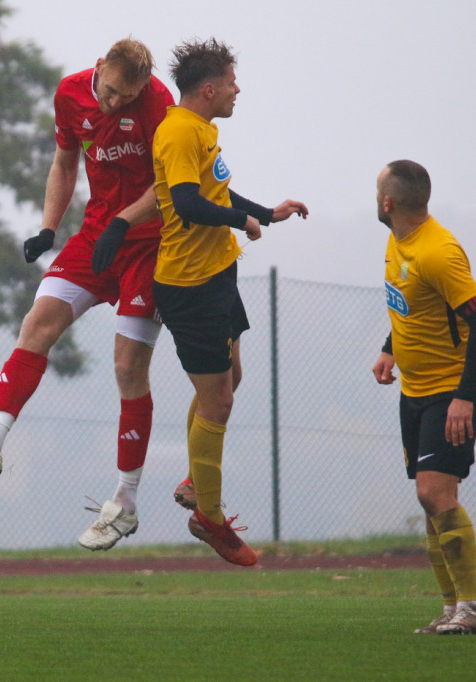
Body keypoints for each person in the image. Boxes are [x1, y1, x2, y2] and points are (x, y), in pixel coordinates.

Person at [0, 38, 174, 551]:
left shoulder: (158, 101)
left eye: (125, 98)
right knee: (37, 323)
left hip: (149, 246)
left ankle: (125, 502)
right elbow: (65, 162)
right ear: (98, 70)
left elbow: (170, 184)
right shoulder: (69, 94)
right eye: (110, 92)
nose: (114, 104)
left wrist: (124, 223)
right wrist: (49, 228)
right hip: (95, 239)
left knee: (127, 367)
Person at [152, 39, 307, 566]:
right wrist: (242, 222)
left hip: (218, 275)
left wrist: (268, 211)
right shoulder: (176, 131)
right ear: (210, 88)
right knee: (218, 400)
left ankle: (196, 480)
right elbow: (188, 204)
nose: (239, 90)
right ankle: (210, 519)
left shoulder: (203, 130)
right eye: (233, 81)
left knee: (229, 379)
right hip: (189, 287)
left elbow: (215, 195)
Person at [371, 160, 476, 635]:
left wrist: (464, 399)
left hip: (454, 391)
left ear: (388, 202)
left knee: (433, 491)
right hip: (416, 390)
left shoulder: (437, 251)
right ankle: (452, 610)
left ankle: (471, 609)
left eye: (376, 190)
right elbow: (415, 303)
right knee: (430, 498)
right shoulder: (397, 238)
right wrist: (389, 349)